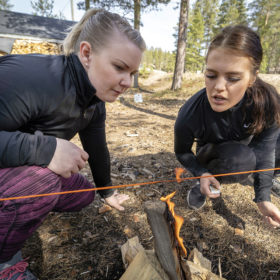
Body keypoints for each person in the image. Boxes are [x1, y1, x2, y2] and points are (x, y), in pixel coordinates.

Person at [0, 9, 145, 279]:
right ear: (87, 54)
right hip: (21, 169)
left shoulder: (93, 100)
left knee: (82, 194)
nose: (128, 82)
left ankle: (18, 210)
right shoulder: (32, 79)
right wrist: (46, 150)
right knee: (42, 182)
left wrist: (107, 192)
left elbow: (98, 149)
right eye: (119, 67)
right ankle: (4, 264)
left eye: (133, 72)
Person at [174, 25, 280, 228]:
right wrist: (201, 172)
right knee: (240, 160)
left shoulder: (268, 101)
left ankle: (255, 178)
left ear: (253, 77)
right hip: (213, 153)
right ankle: (204, 184)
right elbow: (182, 152)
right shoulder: (190, 114)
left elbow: (267, 151)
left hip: (245, 142)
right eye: (211, 75)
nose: (219, 87)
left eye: (233, 78)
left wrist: (263, 197)